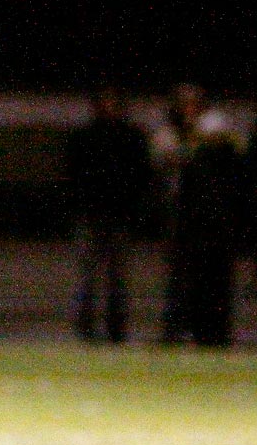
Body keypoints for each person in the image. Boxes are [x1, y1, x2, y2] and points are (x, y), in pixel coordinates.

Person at [151, 83, 247, 347]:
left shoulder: (219, 140)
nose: (189, 109)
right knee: (180, 280)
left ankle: (213, 334)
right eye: (184, 104)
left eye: (194, 103)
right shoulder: (171, 134)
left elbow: (236, 159)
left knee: (215, 280)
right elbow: (164, 158)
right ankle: (176, 331)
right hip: (183, 220)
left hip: (214, 221)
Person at [64, 84, 151, 344]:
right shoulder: (85, 136)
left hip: (120, 216)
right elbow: (72, 175)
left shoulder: (131, 137)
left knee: (118, 278)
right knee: (87, 276)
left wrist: (135, 210)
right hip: (90, 214)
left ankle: (116, 328)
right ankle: (86, 326)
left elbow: (140, 176)